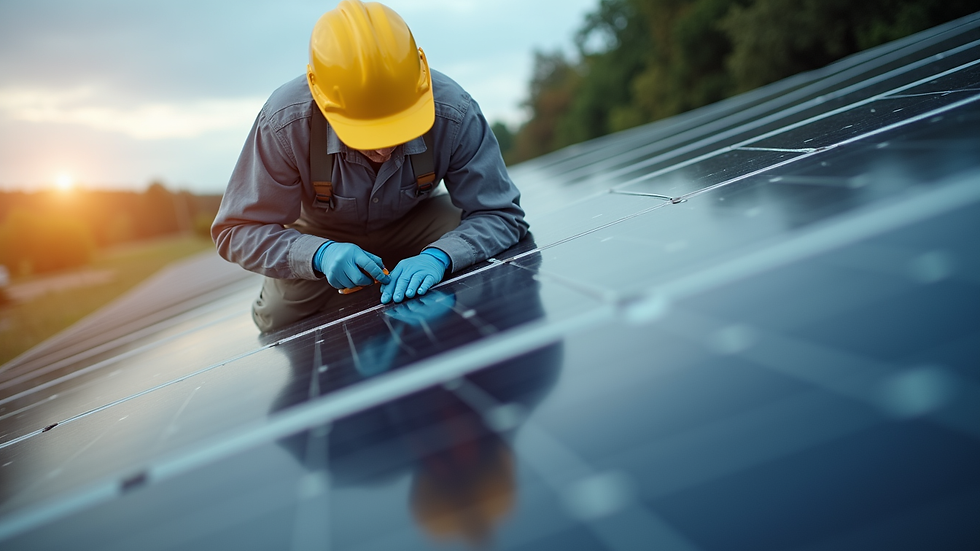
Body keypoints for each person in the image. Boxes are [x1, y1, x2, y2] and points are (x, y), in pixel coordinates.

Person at [211, 0, 528, 333]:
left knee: (478, 245)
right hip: (323, 234)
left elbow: (501, 214)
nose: (383, 147)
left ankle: (413, 273)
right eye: (364, 131)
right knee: (276, 314)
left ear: (418, 84)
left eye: (399, 126)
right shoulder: (285, 123)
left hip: (415, 225)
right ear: (322, 99)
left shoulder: (454, 111)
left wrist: (440, 257)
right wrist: (319, 255)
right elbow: (237, 231)